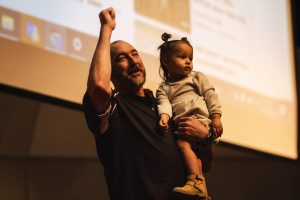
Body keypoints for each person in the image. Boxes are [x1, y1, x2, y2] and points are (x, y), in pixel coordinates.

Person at [82, 7, 212, 200]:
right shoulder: (115, 107)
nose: (134, 62)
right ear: (110, 69)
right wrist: (106, 29)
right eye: (121, 59)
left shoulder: (167, 105)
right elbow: (99, 87)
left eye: (135, 54)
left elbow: (206, 164)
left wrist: (206, 137)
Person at [156, 33, 223, 198]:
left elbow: (210, 95)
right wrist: (164, 116)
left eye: (190, 58)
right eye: (182, 57)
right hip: (184, 126)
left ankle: (195, 181)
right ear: (166, 61)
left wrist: (216, 116)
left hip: (201, 122)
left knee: (182, 146)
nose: (188, 61)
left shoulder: (197, 77)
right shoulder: (164, 88)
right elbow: (164, 104)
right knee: (194, 157)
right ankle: (201, 188)